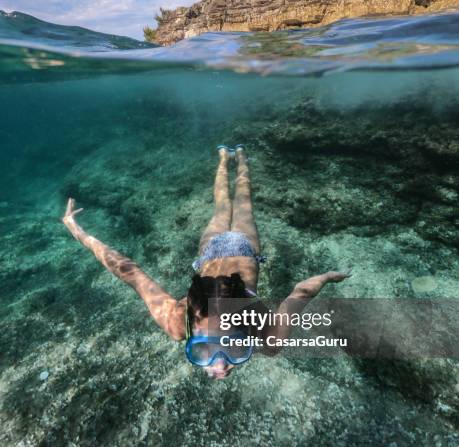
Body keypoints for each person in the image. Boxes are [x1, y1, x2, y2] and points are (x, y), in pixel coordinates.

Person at [62, 145, 350, 380]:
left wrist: (328, 277)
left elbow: (132, 273)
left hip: (230, 249)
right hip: (227, 250)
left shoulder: (179, 323)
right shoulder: (262, 336)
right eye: (234, 347)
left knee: (234, 201)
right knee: (234, 202)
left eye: (209, 349)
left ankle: (232, 158)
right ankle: (230, 157)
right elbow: (300, 292)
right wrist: (325, 277)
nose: (220, 365)